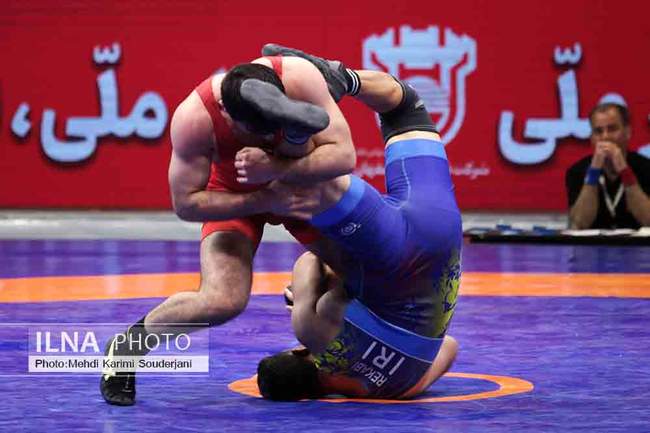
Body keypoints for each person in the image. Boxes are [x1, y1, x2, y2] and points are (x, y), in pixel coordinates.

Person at [100, 52, 357, 405]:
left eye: (272, 128)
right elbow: (186, 204)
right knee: (222, 300)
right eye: (252, 131)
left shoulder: (299, 77)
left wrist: (276, 170)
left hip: (297, 184)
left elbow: (344, 156)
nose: (261, 137)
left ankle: (319, 311)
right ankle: (127, 346)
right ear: (225, 111)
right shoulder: (195, 117)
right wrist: (263, 198)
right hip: (235, 194)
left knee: (363, 273)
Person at [254, 45, 461, 400]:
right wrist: (302, 293)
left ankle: (328, 86)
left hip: (441, 235)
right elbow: (311, 262)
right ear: (298, 353)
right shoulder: (310, 331)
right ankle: (326, 90)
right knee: (307, 186)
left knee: (406, 110)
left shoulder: (402, 389)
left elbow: (450, 346)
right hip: (391, 251)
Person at [566, 103, 650, 229]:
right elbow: (579, 224)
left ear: (627, 132)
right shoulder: (577, 171)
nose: (605, 137)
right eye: (598, 131)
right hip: (593, 242)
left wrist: (624, 170)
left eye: (612, 129)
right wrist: (594, 171)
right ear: (592, 138)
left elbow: (648, 220)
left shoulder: (646, 168)